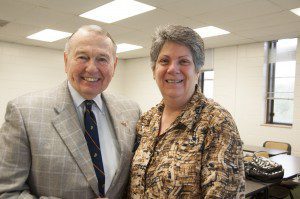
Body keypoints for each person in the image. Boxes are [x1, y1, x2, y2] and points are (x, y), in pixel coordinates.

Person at [0, 25, 141, 199]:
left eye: (102, 59)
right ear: (66, 61)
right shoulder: (23, 112)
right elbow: (7, 191)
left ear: (115, 64)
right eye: (83, 57)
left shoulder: (131, 111)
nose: (91, 68)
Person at [128, 25, 245, 198]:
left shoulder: (217, 122)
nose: (172, 69)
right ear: (154, 70)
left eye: (183, 61)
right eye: (164, 61)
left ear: (197, 70)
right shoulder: (146, 120)